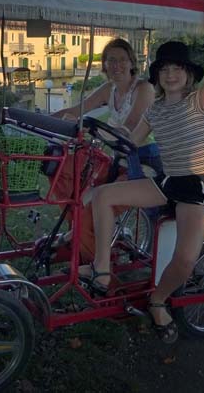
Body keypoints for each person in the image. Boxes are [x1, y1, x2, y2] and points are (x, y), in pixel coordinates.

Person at [81, 0, 204, 344]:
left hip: (196, 186)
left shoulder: (201, 99)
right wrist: (100, 138)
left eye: (177, 67)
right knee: (102, 196)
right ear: (158, 76)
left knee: (185, 258)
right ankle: (102, 271)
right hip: (168, 181)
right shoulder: (156, 109)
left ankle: (158, 299)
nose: (170, 73)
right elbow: (129, 142)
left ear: (190, 73)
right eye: (164, 69)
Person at [46, 38, 162, 258]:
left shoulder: (144, 88)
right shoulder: (109, 88)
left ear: (131, 62)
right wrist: (42, 120)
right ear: (105, 65)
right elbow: (79, 109)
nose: (116, 65)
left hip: (143, 161)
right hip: (118, 158)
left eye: (122, 60)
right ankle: (76, 230)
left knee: (93, 201)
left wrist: (95, 131)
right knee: (63, 170)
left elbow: (131, 127)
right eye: (111, 60)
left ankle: (93, 260)